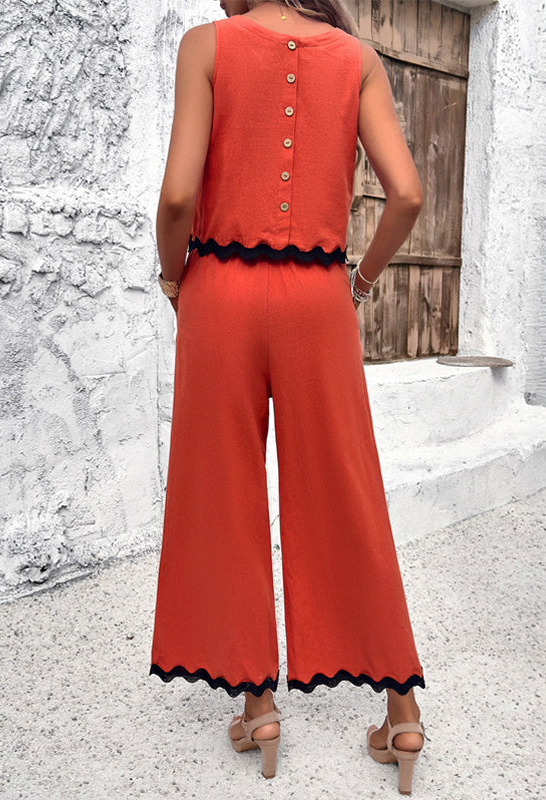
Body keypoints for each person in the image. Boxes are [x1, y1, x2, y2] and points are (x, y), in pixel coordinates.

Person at [151, 0, 427, 792]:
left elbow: (177, 198)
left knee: (224, 490)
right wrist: (359, 282)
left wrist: (173, 277)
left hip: (220, 294)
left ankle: (259, 706)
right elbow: (407, 194)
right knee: (348, 490)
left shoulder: (206, 45)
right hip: (318, 300)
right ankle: (402, 714)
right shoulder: (357, 57)